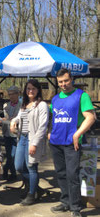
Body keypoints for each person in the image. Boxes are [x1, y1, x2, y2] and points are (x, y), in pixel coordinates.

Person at [49, 69, 95, 217]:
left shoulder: (82, 96)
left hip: (72, 143)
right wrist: (49, 132)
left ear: (72, 79)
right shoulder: (55, 98)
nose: (63, 84)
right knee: (61, 173)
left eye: (66, 81)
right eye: (60, 82)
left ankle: (75, 207)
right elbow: (51, 117)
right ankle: (65, 201)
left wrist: (78, 133)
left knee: (72, 175)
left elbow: (91, 117)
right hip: (56, 142)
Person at [10, 79, 49, 206]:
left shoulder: (42, 105)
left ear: (38, 90)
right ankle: (36, 187)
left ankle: (32, 194)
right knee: (18, 166)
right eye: (28, 89)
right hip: (22, 138)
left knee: (32, 167)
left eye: (33, 88)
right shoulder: (24, 104)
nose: (30, 91)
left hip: (33, 139)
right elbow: (19, 117)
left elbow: (43, 127)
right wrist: (13, 121)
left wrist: (34, 144)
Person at [1, 86, 21, 181]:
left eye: (13, 94)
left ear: (18, 94)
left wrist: (7, 120)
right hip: (7, 133)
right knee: (9, 155)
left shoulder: (22, 105)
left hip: (16, 133)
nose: (11, 96)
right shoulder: (6, 105)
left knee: (13, 155)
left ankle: (6, 170)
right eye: (9, 94)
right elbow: (5, 119)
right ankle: (12, 173)